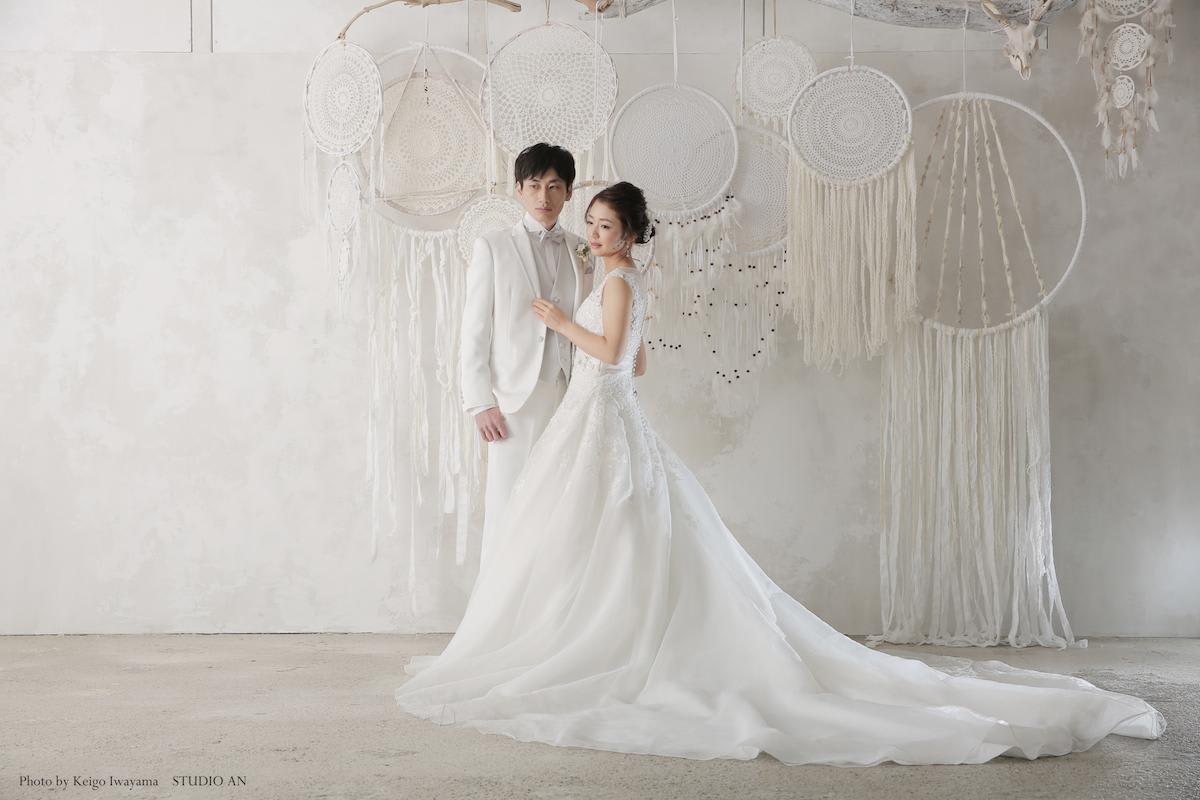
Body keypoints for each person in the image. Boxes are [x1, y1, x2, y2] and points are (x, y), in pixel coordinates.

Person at [398, 181, 1166, 767]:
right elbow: (640, 362)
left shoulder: (620, 283)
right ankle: (585, 630)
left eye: (604, 226)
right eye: (591, 224)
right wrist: (598, 349)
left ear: (630, 234)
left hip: (601, 414)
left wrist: (563, 324)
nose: (592, 234)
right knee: (604, 532)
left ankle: (609, 640)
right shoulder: (619, 282)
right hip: (599, 415)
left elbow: (614, 355)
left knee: (617, 529)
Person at [459, 143, 594, 571]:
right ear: (518, 189)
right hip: (513, 399)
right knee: (508, 505)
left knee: (559, 505)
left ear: (569, 192)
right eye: (534, 185)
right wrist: (480, 402)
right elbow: (474, 330)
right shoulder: (493, 246)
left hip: (569, 394)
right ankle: (497, 602)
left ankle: (548, 600)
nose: (543, 196)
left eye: (554, 186)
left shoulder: (582, 250)